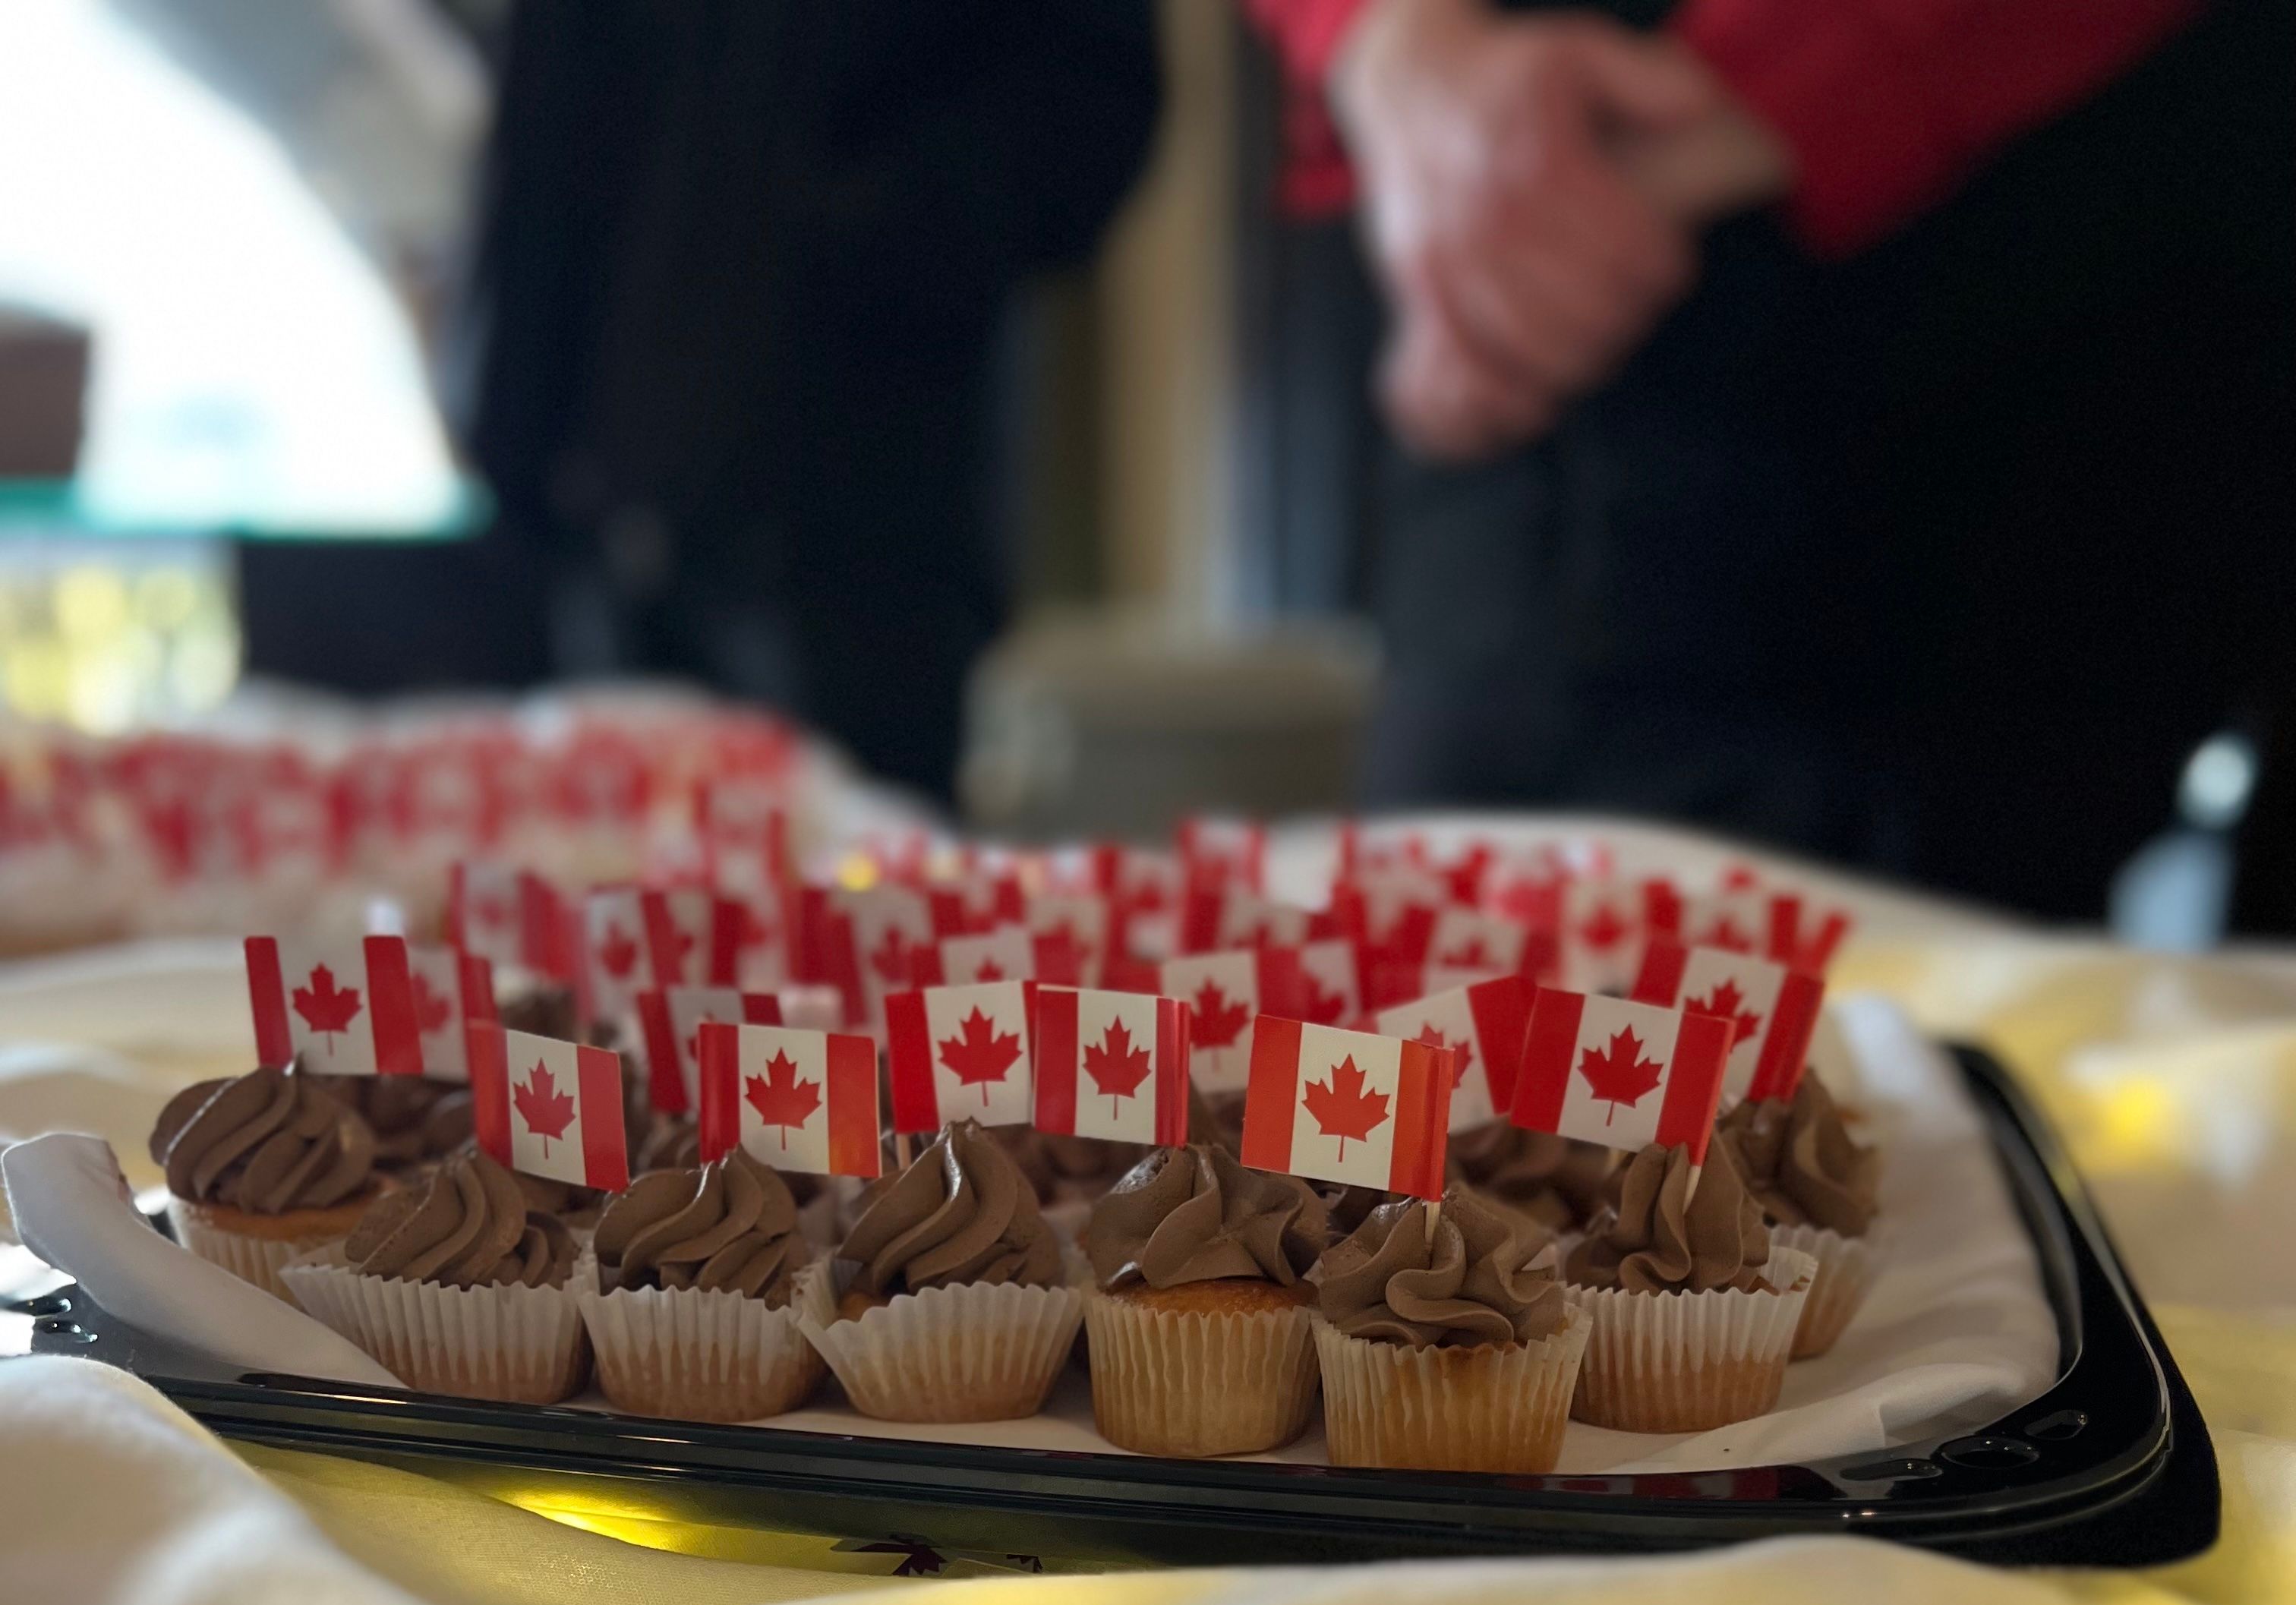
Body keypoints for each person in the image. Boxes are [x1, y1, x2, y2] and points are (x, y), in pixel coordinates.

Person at [1245, 0, 2296, 920]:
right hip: (1492, 262)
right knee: (1442, 1012)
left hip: (1987, 288)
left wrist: (1768, 97)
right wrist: (1392, 45)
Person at [456, 2, 1161, 802]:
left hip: (862, 509)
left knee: (866, 897)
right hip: (601, 487)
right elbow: (547, 103)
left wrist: (866, 232)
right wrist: (509, 420)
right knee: (617, 874)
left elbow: (1094, 100)